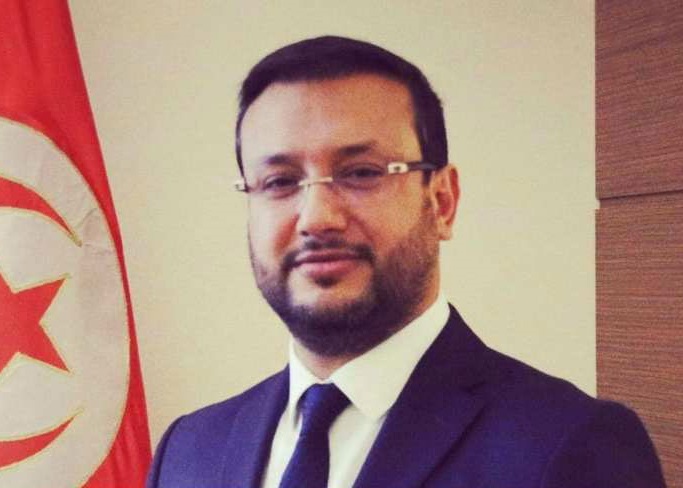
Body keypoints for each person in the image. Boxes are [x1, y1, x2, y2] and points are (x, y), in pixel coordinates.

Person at [146, 36, 665, 488]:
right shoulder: (189, 449)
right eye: (280, 181)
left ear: (442, 202)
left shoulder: (570, 445)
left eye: (362, 172)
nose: (317, 217)